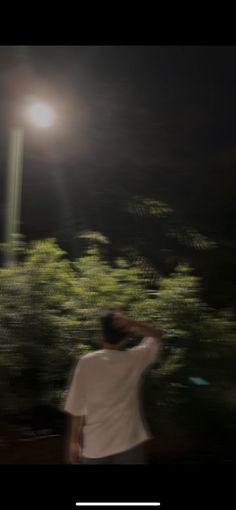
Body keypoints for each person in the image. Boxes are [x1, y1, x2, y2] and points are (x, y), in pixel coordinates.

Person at [64, 312, 164, 464]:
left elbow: (76, 407)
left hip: (95, 447)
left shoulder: (86, 362)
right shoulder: (134, 359)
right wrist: (134, 323)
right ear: (126, 337)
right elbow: (157, 336)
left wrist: (73, 442)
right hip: (129, 443)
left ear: (101, 334)